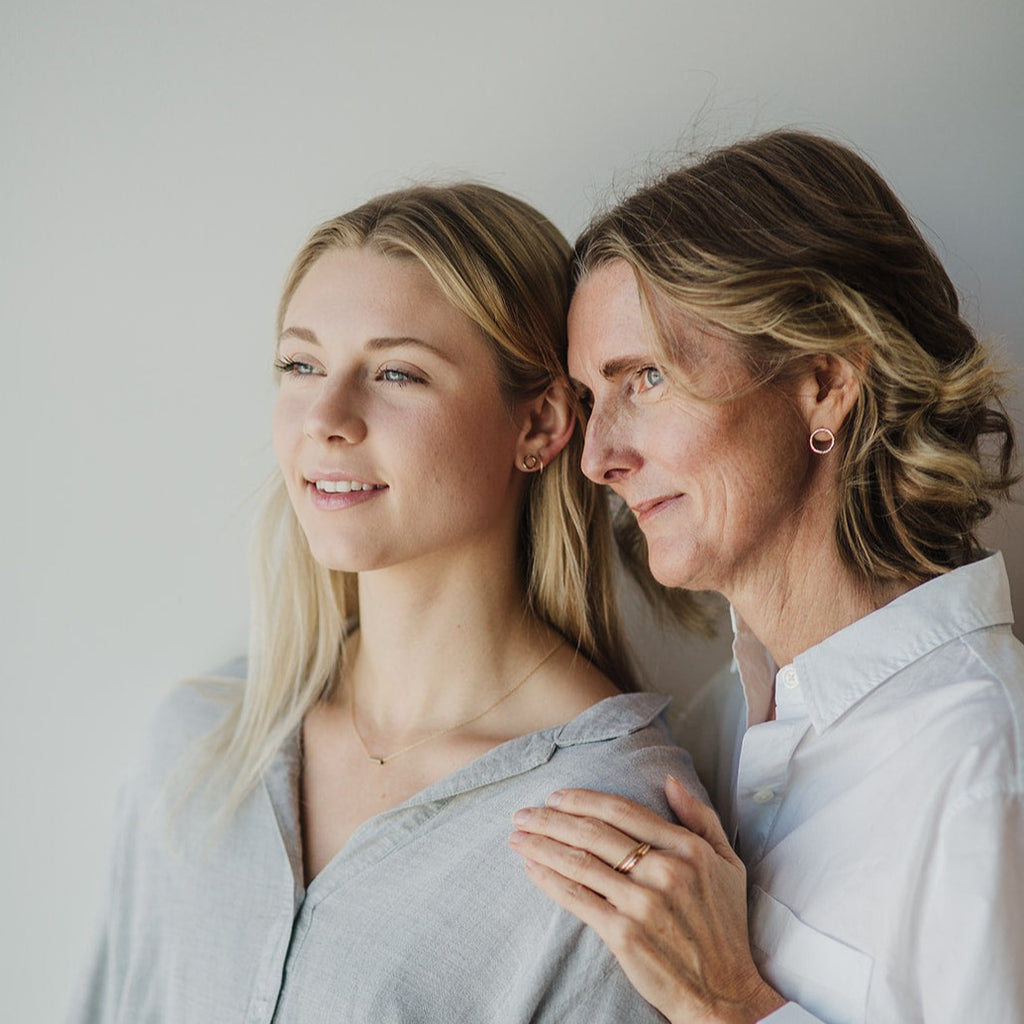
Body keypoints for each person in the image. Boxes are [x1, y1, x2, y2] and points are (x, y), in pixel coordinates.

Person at [67, 183, 710, 1023]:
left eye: (396, 372)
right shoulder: (198, 745)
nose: (326, 418)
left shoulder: (611, 827)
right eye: (301, 365)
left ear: (541, 422)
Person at [508, 130, 1024, 1023]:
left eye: (647, 379)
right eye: (593, 399)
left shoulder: (990, 771)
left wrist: (733, 1007)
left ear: (822, 382)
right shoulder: (707, 728)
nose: (596, 458)